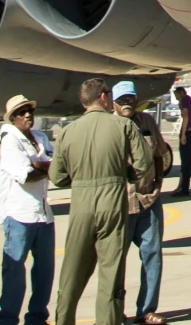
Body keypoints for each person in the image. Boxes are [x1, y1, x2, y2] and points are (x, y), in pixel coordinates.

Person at [50, 77, 153, 325]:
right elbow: (144, 162)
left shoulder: (67, 132)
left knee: (72, 271)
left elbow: (56, 176)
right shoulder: (123, 126)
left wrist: (80, 179)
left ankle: (63, 319)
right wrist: (127, 175)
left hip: (81, 202)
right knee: (111, 271)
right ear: (104, 97)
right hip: (113, 199)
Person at [0, 95, 57, 325]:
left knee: (45, 270)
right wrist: (45, 167)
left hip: (43, 213)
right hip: (19, 214)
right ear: (13, 118)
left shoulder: (40, 137)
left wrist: (39, 164)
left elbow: (57, 165)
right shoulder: (10, 140)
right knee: (14, 270)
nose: (27, 115)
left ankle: (38, 318)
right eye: (21, 112)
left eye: (29, 110)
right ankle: (8, 319)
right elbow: (25, 175)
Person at [112, 83, 170, 325]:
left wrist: (157, 183)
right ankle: (114, 311)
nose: (127, 102)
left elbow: (159, 153)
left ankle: (146, 310)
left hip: (148, 199)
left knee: (152, 254)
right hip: (120, 203)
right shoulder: (108, 125)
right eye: (122, 99)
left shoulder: (146, 121)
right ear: (112, 102)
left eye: (131, 98)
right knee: (115, 259)